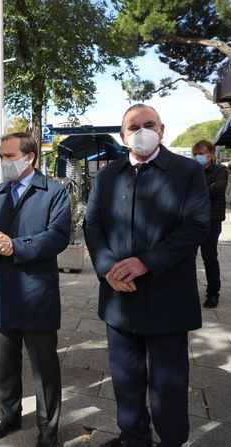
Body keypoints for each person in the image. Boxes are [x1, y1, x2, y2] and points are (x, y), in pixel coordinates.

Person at [84, 104, 210, 447]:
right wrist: (106, 266)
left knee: (168, 385)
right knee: (126, 380)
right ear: (123, 137)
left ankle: (170, 441)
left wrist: (146, 262)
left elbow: (196, 226)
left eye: (148, 124)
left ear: (162, 129)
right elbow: (92, 224)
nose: (142, 131)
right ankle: (133, 438)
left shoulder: (186, 171)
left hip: (167, 298)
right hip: (118, 298)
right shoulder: (108, 176)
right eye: (133, 127)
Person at [0, 132, 70, 447]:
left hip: (36, 294)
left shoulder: (54, 193)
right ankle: (9, 416)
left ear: (30, 158)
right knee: (4, 364)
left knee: (44, 367)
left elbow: (57, 236)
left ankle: (48, 427)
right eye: (1, 156)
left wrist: (16, 246)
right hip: (0, 292)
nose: (3, 162)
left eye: (9, 156)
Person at [192, 139, 228, 308]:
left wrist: (197, 193)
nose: (198, 157)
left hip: (211, 221)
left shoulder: (221, 169)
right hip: (191, 220)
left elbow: (218, 189)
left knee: (209, 257)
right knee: (186, 257)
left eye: (201, 154)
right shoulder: (192, 171)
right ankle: (187, 290)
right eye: (196, 155)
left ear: (211, 154)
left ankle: (213, 293)